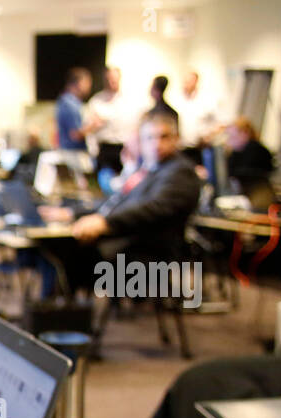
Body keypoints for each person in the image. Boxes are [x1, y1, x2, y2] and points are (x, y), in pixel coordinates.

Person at [41, 112, 201, 287]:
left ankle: (62, 308)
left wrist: (105, 223)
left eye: (164, 137)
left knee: (62, 250)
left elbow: (152, 208)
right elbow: (117, 202)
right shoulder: (153, 169)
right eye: (149, 138)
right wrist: (71, 213)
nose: (156, 144)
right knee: (52, 248)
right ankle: (60, 306)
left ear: (176, 139)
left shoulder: (180, 172)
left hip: (147, 259)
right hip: (128, 246)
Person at [86, 66, 137, 181]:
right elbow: (89, 129)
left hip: (123, 147)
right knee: (103, 180)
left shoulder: (129, 100)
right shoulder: (96, 101)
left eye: (114, 79)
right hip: (104, 147)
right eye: (109, 79)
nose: (112, 82)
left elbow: (134, 126)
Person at [175, 71, 221, 162]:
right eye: (184, 81)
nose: (186, 84)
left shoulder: (207, 100)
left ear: (196, 82)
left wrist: (208, 137)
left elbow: (221, 124)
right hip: (182, 149)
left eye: (189, 81)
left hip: (201, 148)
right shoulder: (177, 100)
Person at [224, 117, 274, 192]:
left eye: (233, 137)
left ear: (244, 133)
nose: (229, 142)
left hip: (257, 193)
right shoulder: (236, 152)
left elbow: (245, 174)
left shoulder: (256, 150)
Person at [55, 67, 94, 152]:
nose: (90, 86)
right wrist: (93, 125)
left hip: (71, 153)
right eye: (87, 82)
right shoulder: (70, 104)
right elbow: (75, 135)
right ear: (79, 83)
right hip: (74, 155)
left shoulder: (69, 102)